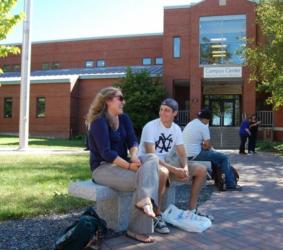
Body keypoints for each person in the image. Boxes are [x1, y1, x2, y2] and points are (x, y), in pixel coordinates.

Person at [86, 87, 159, 243]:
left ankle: (145, 200)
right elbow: (106, 152)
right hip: (102, 168)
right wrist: (128, 166)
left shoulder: (124, 119)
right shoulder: (99, 121)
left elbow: (133, 140)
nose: (123, 101)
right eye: (120, 98)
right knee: (143, 180)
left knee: (152, 158)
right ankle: (140, 221)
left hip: (123, 162)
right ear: (108, 101)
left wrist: (133, 155)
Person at [139, 98, 209, 234]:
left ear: (174, 113)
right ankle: (156, 215)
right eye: (161, 109)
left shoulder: (176, 129)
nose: (162, 113)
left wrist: (185, 168)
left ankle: (191, 209)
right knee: (164, 172)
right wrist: (175, 170)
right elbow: (152, 156)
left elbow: (182, 153)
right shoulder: (150, 127)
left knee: (201, 169)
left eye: (166, 110)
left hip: (166, 164)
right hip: (148, 164)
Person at [183, 108, 242, 191]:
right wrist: (205, 146)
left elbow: (201, 143)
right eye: (209, 121)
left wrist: (203, 146)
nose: (208, 123)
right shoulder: (203, 126)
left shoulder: (191, 123)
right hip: (195, 154)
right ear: (207, 119)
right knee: (223, 158)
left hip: (186, 154)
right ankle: (230, 184)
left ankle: (219, 180)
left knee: (215, 157)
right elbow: (207, 146)